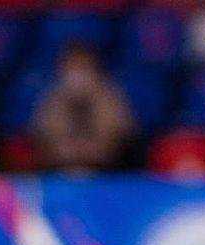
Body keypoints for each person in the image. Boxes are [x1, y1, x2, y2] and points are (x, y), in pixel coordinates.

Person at [32, 42, 136, 173]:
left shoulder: (111, 98)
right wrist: (68, 150)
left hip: (107, 173)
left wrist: (91, 150)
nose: (78, 76)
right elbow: (47, 140)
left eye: (83, 67)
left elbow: (115, 141)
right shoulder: (52, 99)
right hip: (59, 172)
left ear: (95, 71)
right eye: (72, 68)